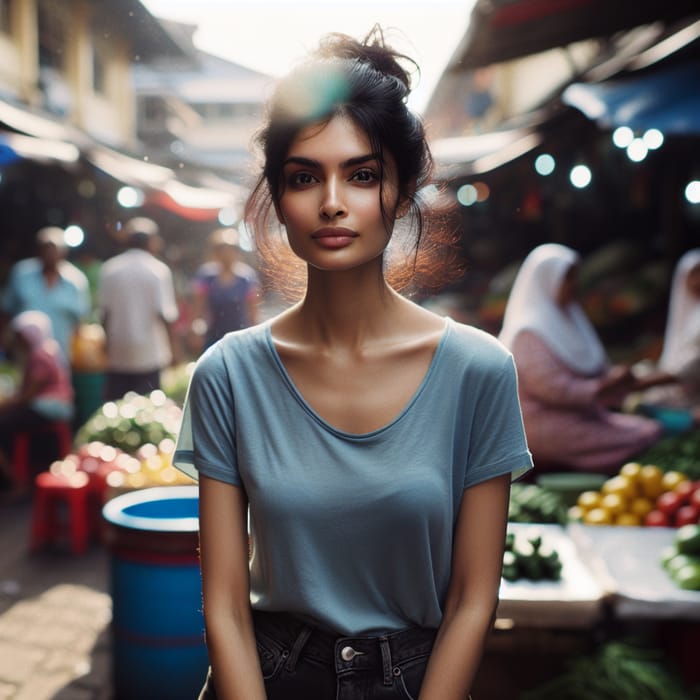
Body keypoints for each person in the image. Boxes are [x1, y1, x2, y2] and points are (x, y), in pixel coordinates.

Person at [174, 27, 532, 700]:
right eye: (304, 177)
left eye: (362, 174)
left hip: (418, 680)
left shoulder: (479, 372)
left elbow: (473, 599)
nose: (332, 201)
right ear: (278, 198)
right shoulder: (228, 375)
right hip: (268, 677)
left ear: (399, 191)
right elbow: (223, 605)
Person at [498, 242, 663, 474]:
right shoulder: (527, 331)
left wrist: (614, 378)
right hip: (541, 424)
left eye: (574, 278)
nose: (573, 286)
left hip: (581, 414)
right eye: (567, 278)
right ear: (546, 279)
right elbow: (551, 388)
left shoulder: (571, 319)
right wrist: (604, 386)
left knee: (648, 428)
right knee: (645, 433)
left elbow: (594, 365)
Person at [99, 217, 180, 402]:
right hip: (149, 354)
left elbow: (105, 314)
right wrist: (175, 351)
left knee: (116, 409)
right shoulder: (158, 270)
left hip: (118, 353)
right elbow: (165, 315)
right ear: (151, 241)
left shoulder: (110, 269)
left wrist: (106, 347)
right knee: (148, 409)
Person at [0, 311, 74, 495]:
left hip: (50, 408)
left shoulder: (41, 355)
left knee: (5, 424)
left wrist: (6, 404)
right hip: (49, 406)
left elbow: (28, 395)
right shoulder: (47, 349)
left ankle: (12, 478)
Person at [1, 227, 90, 364]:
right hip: (23, 360)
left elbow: (80, 322)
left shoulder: (76, 280)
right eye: (45, 248)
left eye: (54, 248)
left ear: (64, 252)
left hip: (60, 360)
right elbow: (5, 313)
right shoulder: (21, 274)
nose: (50, 253)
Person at [190, 227, 260, 351]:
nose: (226, 254)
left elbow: (253, 310)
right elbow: (198, 307)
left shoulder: (246, 277)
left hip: (240, 334)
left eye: (231, 249)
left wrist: (256, 335)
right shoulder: (206, 276)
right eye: (221, 250)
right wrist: (195, 330)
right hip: (213, 334)